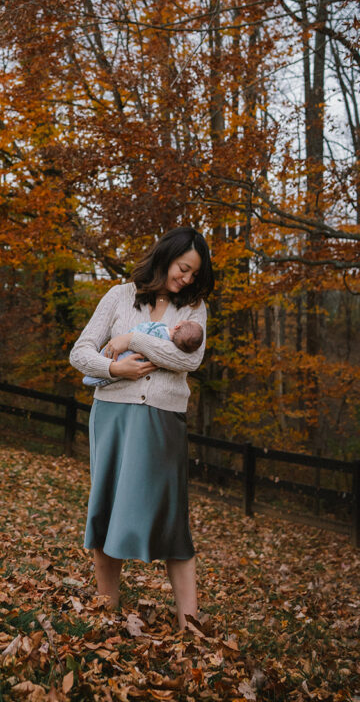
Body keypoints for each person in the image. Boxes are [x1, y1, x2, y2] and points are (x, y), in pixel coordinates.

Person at [69, 226, 214, 629]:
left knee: (172, 519)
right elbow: (80, 352)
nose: (185, 279)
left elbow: (189, 360)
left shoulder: (193, 308)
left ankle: (190, 622)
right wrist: (114, 367)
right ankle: (106, 611)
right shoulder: (118, 295)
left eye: (192, 274)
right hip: (112, 415)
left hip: (163, 420)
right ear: (166, 256)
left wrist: (134, 338)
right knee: (107, 512)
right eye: (183, 268)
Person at [82, 319, 203, 388]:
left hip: (123, 358)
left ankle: (93, 375)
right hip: (124, 361)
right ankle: (93, 376)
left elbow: (140, 329)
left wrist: (131, 339)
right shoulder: (170, 349)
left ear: (177, 326)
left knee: (111, 356)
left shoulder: (158, 327)